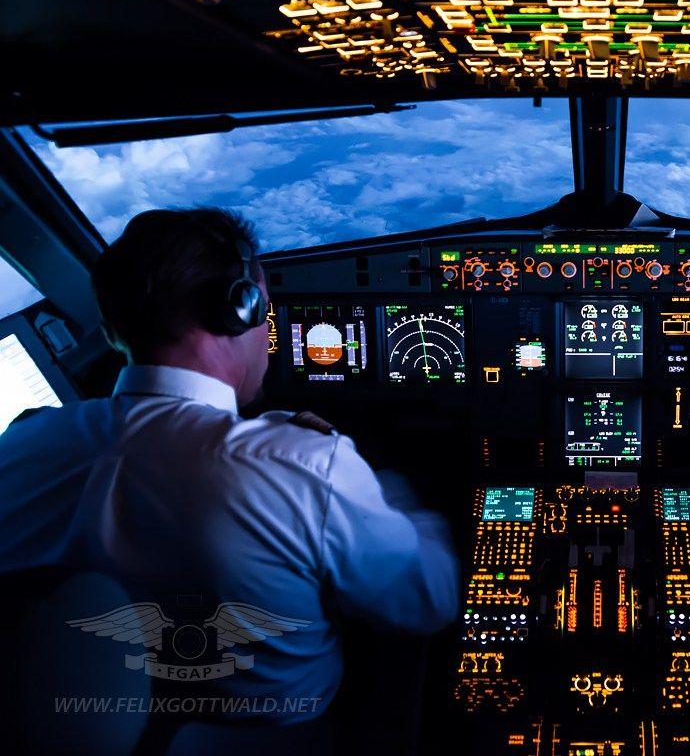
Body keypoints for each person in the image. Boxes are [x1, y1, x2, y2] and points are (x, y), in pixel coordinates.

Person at [0, 208, 459, 727]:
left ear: (109, 331)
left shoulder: (18, 446)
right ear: (238, 309)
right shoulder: (301, 464)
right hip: (285, 733)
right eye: (265, 306)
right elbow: (429, 600)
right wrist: (398, 497)